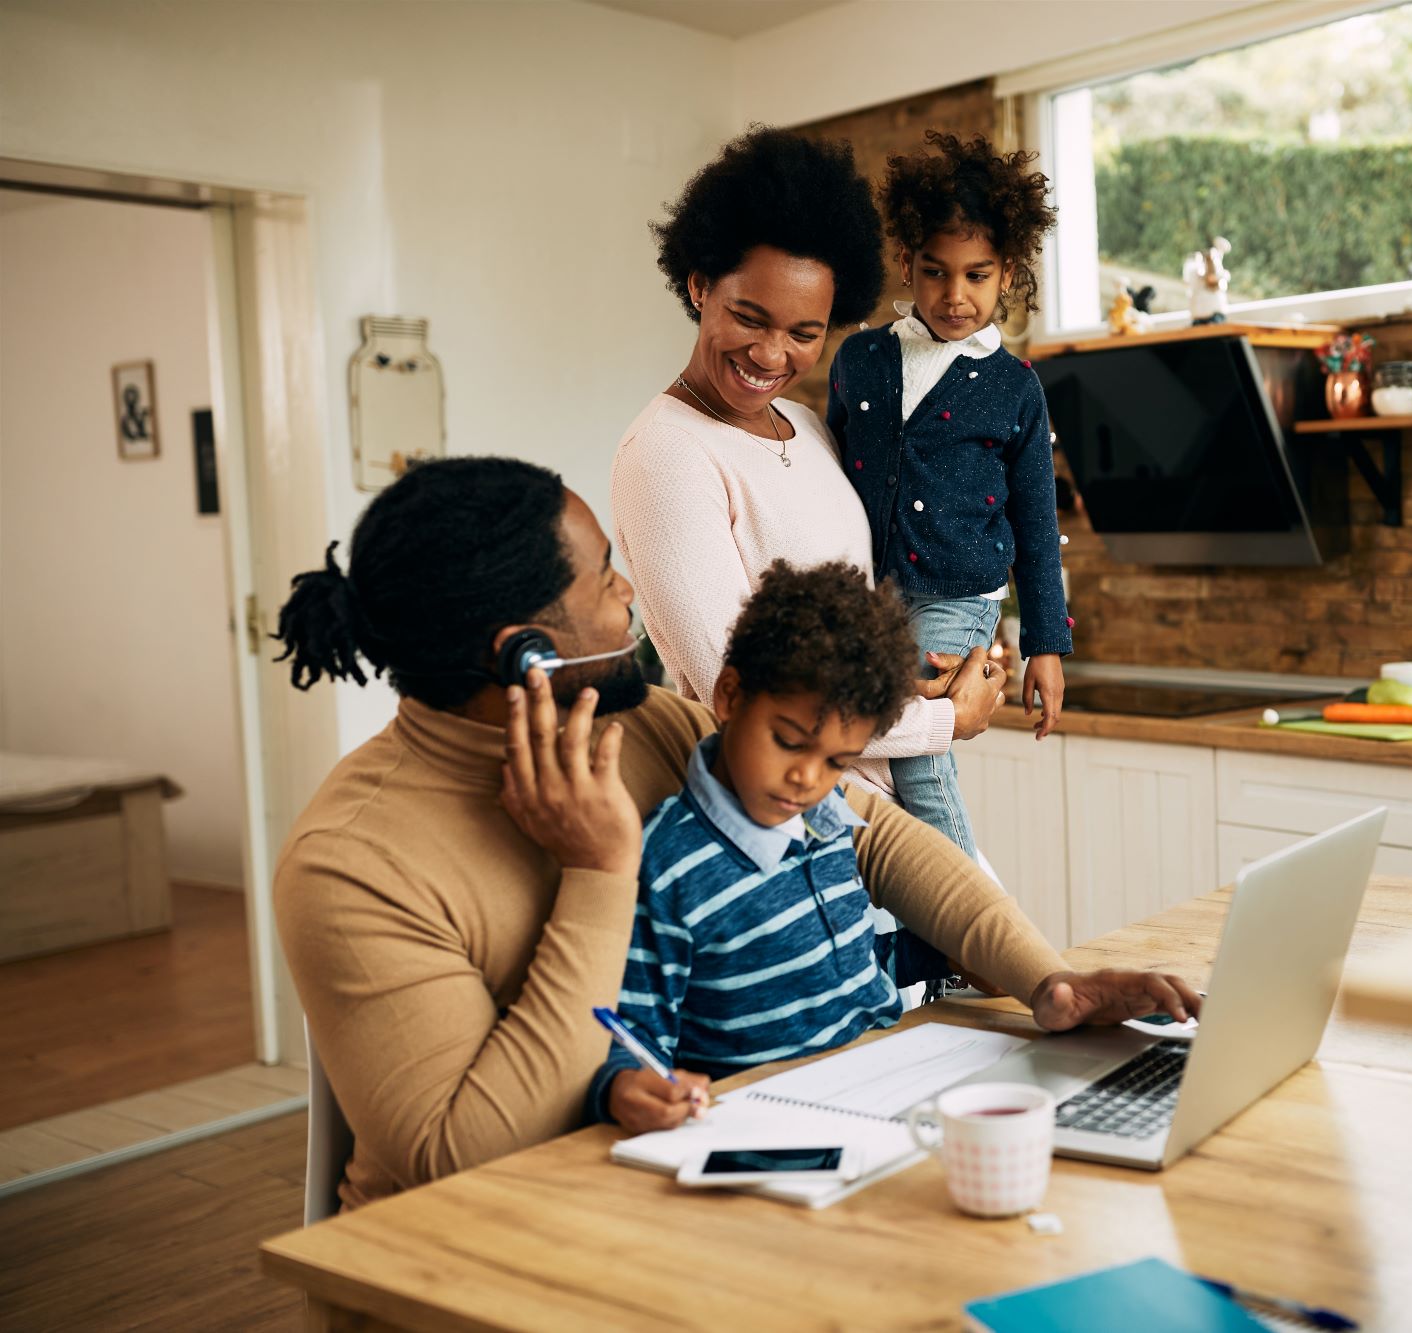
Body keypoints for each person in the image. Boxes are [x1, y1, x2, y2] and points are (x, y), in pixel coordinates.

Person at [270, 456, 1198, 1209]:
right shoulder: (355, 861)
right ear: (525, 649)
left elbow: (871, 836)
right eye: (603, 577)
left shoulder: (643, 727)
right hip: (480, 1261)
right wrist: (601, 871)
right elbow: (456, 1157)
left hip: (680, 1189)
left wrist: (1050, 978)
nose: (628, 587)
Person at [610, 125, 997, 810]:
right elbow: (741, 688)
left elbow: (846, 635)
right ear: (700, 285)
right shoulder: (668, 454)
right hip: (794, 823)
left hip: (885, 802)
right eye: (749, 317)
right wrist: (945, 720)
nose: (770, 354)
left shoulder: (810, 427)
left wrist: (931, 674)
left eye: (804, 333)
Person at [594, 561, 951, 1132]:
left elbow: (845, 974)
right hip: (767, 1128)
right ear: (730, 696)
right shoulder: (668, 863)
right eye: (789, 743)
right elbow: (632, 1033)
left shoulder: (829, 826)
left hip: (881, 1094)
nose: (807, 780)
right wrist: (625, 1086)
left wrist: (939, 955)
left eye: (837, 762)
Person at [826, 130, 1070, 859]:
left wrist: (1046, 646)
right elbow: (828, 474)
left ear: (1008, 275)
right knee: (870, 771)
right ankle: (925, 944)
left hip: (958, 598)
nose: (954, 295)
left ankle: (976, 935)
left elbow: (1036, 519)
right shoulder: (861, 360)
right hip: (871, 596)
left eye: (977, 274)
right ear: (908, 263)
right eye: (935, 272)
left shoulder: (1014, 387)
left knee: (919, 764)